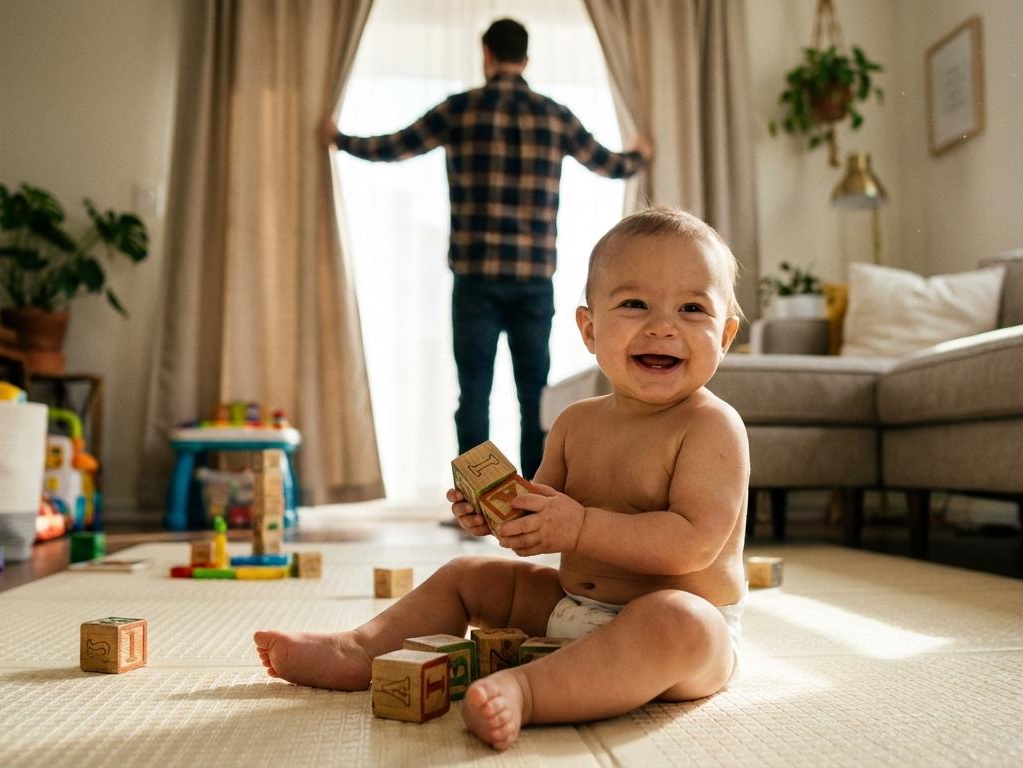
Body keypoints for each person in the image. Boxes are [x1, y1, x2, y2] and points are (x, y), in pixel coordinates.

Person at [255, 206, 749, 751]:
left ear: (724, 335)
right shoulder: (574, 423)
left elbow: (692, 545)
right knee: (469, 574)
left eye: (692, 308)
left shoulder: (711, 427)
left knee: (677, 618)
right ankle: (359, 649)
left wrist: (579, 527)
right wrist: (498, 517)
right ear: (589, 329)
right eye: (634, 304)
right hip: (571, 608)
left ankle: (527, 692)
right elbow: (542, 519)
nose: (663, 325)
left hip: (682, 638)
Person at [321, 17, 651, 478]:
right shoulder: (554, 115)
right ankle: (538, 498)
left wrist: (338, 139)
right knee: (533, 392)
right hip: (534, 280)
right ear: (526, 58)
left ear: (487, 55)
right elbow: (610, 165)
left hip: (475, 279)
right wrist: (640, 154)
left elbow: (393, 146)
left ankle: (479, 502)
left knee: (473, 392)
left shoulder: (461, 109)